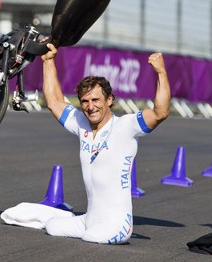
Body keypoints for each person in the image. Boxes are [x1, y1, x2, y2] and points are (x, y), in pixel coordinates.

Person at [40, 43, 170, 244]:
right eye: (85, 101)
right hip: (89, 220)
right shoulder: (81, 123)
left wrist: (161, 72)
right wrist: (48, 61)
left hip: (118, 224)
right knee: (52, 226)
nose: (90, 107)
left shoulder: (125, 126)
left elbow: (160, 112)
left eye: (95, 100)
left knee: (91, 237)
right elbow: (54, 101)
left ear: (109, 100)